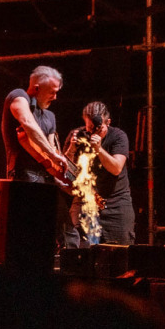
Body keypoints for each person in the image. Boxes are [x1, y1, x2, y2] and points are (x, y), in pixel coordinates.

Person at [61, 101, 135, 247]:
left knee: (120, 252)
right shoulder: (78, 136)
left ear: (108, 122)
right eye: (89, 129)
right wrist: (71, 150)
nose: (93, 133)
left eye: (98, 129)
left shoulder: (118, 136)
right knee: (77, 250)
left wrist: (99, 149)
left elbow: (116, 168)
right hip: (85, 201)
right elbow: (64, 173)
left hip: (116, 203)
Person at [1, 64, 68, 184]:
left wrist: (60, 179)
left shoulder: (50, 116)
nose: (55, 97)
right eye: (52, 92)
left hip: (46, 177)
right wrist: (53, 154)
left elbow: (51, 150)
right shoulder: (18, 95)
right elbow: (28, 123)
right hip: (23, 175)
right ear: (37, 88)